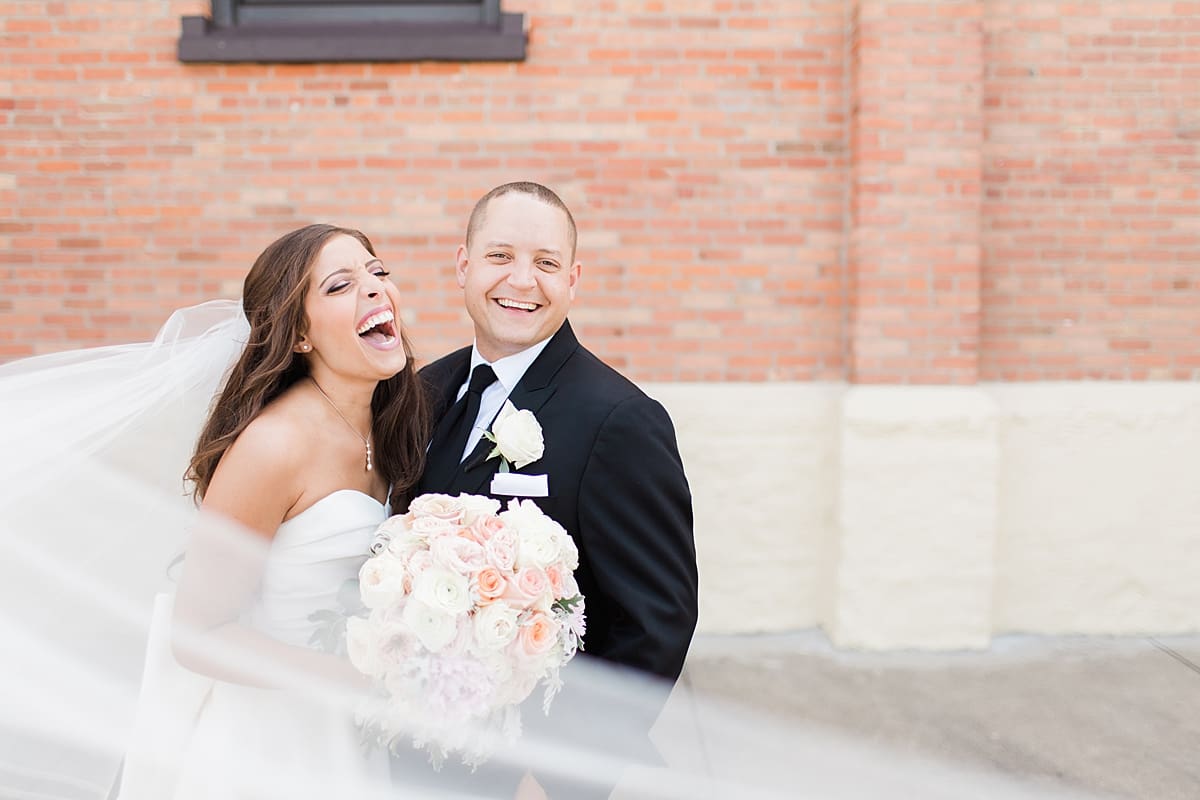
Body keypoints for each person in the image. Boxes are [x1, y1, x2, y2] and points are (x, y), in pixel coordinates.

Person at [115, 223, 430, 799]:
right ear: (300, 336)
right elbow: (197, 634)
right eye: (339, 286)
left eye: (377, 272)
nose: (374, 289)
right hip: (266, 750)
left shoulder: (391, 424)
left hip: (353, 739)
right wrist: (355, 679)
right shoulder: (272, 446)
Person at [413, 182, 700, 798]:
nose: (521, 281)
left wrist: (555, 775)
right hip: (413, 754)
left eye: (545, 263)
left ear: (572, 279)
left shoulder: (620, 420)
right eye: (500, 257)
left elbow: (653, 626)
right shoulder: (421, 392)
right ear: (464, 265)